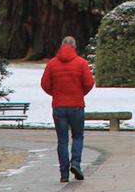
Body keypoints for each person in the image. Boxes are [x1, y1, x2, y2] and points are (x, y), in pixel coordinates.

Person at [41, 35, 95, 183]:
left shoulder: (52, 64)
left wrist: (55, 94)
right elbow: (89, 82)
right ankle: (76, 163)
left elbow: (45, 84)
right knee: (78, 136)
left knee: (62, 140)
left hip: (58, 106)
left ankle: (64, 173)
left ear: (61, 46)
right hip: (76, 105)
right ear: (75, 47)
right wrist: (80, 93)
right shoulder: (81, 63)